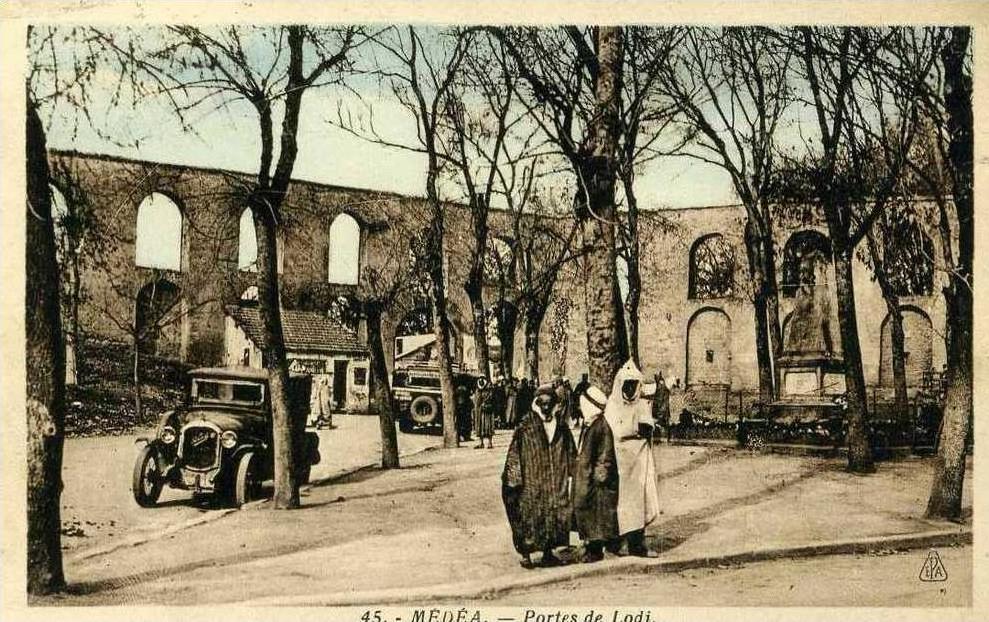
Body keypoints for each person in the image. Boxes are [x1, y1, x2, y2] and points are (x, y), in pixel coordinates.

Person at [501, 384, 576, 568]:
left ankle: (548, 552)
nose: (546, 407)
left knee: (553, 513)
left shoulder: (561, 427)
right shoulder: (526, 426)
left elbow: (571, 452)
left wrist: (574, 472)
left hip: (555, 479)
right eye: (542, 403)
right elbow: (514, 454)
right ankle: (526, 553)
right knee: (528, 514)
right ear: (537, 403)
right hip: (531, 480)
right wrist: (514, 479)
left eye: (549, 403)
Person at [604, 360, 660, 557]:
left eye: (633, 384)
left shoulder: (641, 405)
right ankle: (617, 543)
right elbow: (616, 431)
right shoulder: (613, 406)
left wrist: (645, 429)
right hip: (619, 462)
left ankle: (638, 545)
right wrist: (636, 429)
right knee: (621, 504)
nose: (629, 389)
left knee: (639, 503)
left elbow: (647, 427)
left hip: (639, 463)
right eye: (626, 384)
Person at [573, 385, 619, 563]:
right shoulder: (591, 424)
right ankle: (590, 543)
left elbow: (605, 455)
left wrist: (599, 476)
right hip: (588, 476)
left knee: (596, 515)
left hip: (596, 481)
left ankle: (595, 549)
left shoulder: (601, 426)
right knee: (588, 513)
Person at [474, 377, 495, 449]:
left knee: (487, 426)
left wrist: (485, 403)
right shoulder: (478, 390)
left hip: (487, 411)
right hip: (480, 411)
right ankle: (481, 442)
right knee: (480, 426)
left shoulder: (489, 390)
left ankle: (489, 443)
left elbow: (490, 398)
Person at [651, 372, 671, 441]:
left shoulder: (661, 386)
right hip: (662, 408)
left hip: (662, 408)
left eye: (656, 377)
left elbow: (660, 398)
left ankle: (664, 437)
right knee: (663, 423)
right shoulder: (661, 385)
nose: (655, 379)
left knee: (663, 423)